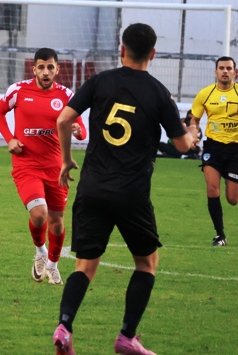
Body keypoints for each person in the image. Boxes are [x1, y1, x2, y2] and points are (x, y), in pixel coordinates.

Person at [51, 23, 198, 355]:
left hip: (92, 189)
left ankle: (64, 326)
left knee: (85, 265)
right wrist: (191, 132)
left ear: (122, 49)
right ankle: (127, 337)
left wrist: (66, 159)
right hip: (132, 194)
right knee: (147, 263)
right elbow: (182, 145)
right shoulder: (159, 93)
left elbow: (63, 120)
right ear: (153, 54)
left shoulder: (99, 81)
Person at [0, 48, 87, 285]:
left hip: (56, 168)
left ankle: (52, 266)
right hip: (26, 165)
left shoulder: (66, 95)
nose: (46, 72)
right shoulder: (18, 91)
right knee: (39, 214)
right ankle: (40, 251)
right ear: (34, 69)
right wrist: (10, 139)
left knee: (57, 222)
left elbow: (82, 131)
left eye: (50, 67)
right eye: (41, 67)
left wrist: (77, 131)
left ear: (57, 69)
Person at [190, 56, 238, 247]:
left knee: (233, 199)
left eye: (229, 68)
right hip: (213, 148)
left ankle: (229, 175)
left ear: (234, 72)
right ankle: (220, 235)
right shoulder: (205, 94)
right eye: (221, 68)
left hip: (236, 151)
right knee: (212, 188)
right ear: (215, 72)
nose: (225, 71)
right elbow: (194, 119)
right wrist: (194, 135)